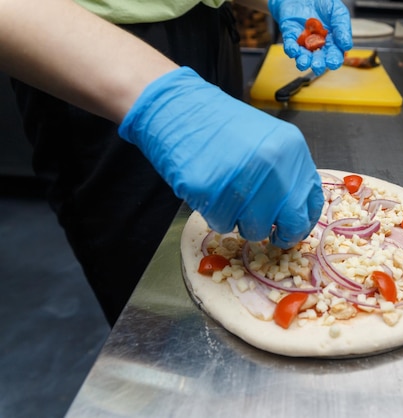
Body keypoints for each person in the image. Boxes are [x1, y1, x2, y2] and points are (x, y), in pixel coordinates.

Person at [0, 0, 353, 325]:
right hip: (81, 53)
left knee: (235, 262)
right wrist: (164, 101)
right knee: (162, 314)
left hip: (211, 31)